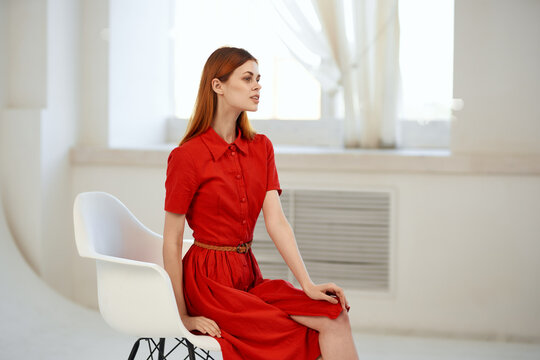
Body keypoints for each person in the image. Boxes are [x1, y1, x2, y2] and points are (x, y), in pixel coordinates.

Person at [163, 46, 359, 360]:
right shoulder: (187, 157)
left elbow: (276, 221)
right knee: (289, 333)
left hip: (248, 275)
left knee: (334, 314)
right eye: (247, 78)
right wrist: (181, 315)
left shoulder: (261, 148)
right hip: (208, 284)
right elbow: (172, 241)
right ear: (218, 86)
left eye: (259, 79)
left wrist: (306, 284)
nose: (258, 86)